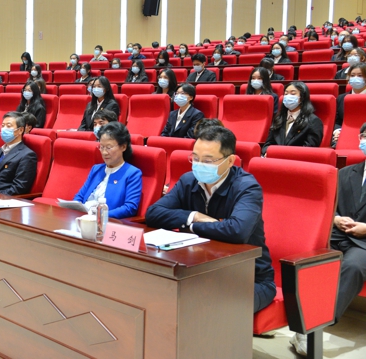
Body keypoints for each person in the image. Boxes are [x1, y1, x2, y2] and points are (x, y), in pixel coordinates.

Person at [146, 126, 276, 313]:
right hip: (199, 274)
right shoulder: (188, 180)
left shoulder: (246, 187)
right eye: (195, 158)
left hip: (248, 279)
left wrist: (191, 227)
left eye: (207, 161)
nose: (199, 165)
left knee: (206, 310)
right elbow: (153, 213)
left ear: (230, 161)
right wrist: (194, 216)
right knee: (155, 296)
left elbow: (237, 231)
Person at [292, 123, 366, 355]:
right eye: (365, 136)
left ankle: (310, 327)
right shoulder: (345, 173)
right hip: (337, 233)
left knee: (354, 266)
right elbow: (327, 206)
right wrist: (336, 219)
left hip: (364, 243)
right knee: (301, 250)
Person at [73, 122, 142, 219]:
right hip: (84, 218)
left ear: (123, 147)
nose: (104, 152)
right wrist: (73, 207)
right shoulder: (96, 169)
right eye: (101, 147)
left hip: (107, 222)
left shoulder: (132, 173)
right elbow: (80, 197)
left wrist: (100, 216)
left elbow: (130, 208)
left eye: (109, 148)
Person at [262, 82, 323, 155]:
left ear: (302, 97)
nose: (288, 96)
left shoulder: (313, 121)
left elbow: (309, 150)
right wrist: (267, 152)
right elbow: (268, 144)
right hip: (274, 158)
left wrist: (282, 155)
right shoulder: (279, 118)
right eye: (286, 94)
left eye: (293, 94)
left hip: (295, 160)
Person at [333, 63, 366, 146]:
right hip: (345, 138)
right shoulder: (341, 98)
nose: (355, 78)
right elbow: (336, 121)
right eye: (352, 75)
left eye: (360, 75)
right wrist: (338, 131)